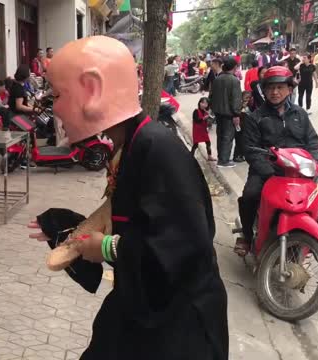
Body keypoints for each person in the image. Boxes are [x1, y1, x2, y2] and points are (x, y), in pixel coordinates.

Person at [29, 36, 228, 360]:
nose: (56, 108)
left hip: (177, 330)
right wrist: (67, 231)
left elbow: (183, 247)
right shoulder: (133, 145)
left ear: (92, 90)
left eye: (58, 95)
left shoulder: (158, 150)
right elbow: (138, 224)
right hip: (144, 311)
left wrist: (106, 248)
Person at [236, 66, 318, 256]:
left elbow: (312, 142)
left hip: (298, 172)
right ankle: (247, 235)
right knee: (250, 195)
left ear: (290, 89)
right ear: (264, 90)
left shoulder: (300, 114)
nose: (275, 92)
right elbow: (250, 151)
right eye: (270, 88)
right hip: (267, 170)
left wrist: (316, 163)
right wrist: (269, 171)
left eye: (280, 87)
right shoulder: (255, 117)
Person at [209, 57, 242, 168]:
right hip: (229, 113)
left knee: (220, 135)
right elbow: (236, 99)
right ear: (234, 67)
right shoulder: (234, 80)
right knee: (228, 137)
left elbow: (211, 96)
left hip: (218, 112)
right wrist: (237, 114)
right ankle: (224, 160)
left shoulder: (218, 79)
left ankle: (221, 158)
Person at [233, 91, 252, 163]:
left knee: (244, 141)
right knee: (239, 141)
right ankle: (236, 156)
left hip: (246, 126)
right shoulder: (239, 105)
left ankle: (241, 155)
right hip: (239, 126)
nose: (247, 99)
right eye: (246, 97)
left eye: (249, 97)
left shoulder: (250, 105)